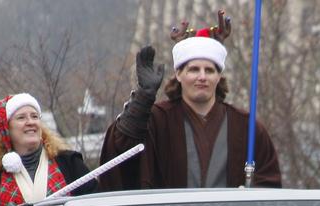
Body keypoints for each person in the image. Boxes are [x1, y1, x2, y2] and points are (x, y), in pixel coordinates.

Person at [98, 11, 282, 191]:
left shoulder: (246, 126)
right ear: (178, 74)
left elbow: (270, 188)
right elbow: (120, 151)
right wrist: (142, 99)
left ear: (219, 76)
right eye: (194, 69)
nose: (202, 77)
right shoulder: (156, 120)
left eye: (209, 70)